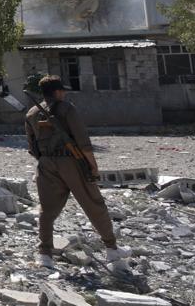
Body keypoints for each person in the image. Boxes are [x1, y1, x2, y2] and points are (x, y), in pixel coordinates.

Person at [25, 74, 130, 268]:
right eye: (62, 91)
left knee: (47, 210)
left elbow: (32, 147)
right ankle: (112, 250)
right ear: (57, 92)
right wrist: (93, 165)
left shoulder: (32, 113)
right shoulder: (67, 109)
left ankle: (45, 255)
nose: (64, 94)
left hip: (46, 163)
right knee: (93, 203)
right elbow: (84, 143)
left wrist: (47, 160)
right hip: (72, 162)